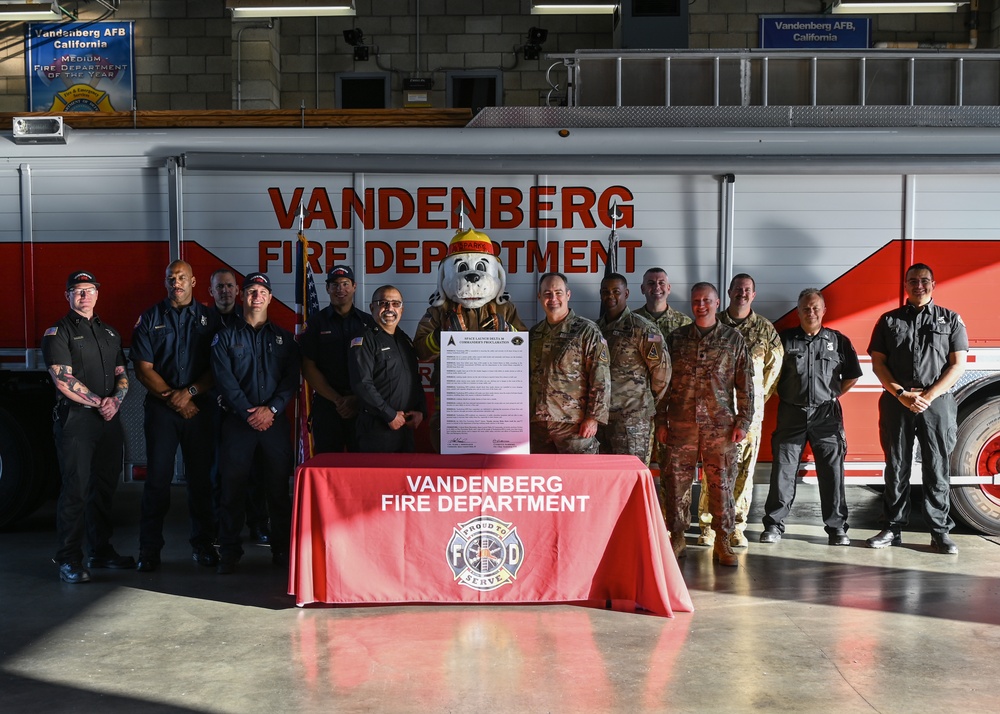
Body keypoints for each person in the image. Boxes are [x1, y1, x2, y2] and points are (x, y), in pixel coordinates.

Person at [866, 263, 968, 554]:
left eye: (924, 280)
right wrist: (900, 394)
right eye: (913, 280)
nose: (918, 285)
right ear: (905, 285)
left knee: (936, 467)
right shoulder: (888, 320)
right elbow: (878, 362)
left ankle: (939, 532)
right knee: (896, 466)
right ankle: (892, 528)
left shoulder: (951, 320)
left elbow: (958, 364)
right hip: (897, 401)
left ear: (933, 284)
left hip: (936, 404)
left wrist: (929, 395)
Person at [42, 271, 133, 583]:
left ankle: (101, 551)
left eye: (90, 290)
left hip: (108, 420)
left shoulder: (109, 333)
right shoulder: (58, 333)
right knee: (76, 491)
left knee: (104, 489)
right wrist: (100, 403)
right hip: (77, 421)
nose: (84, 296)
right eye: (78, 291)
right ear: (68, 296)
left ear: (98, 294)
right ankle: (68, 558)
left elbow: (122, 372)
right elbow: (62, 377)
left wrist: (116, 401)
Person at [131, 260, 220, 572]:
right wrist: (176, 399)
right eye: (171, 277)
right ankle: (149, 550)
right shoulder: (150, 317)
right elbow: (143, 369)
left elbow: (218, 367)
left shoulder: (210, 319)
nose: (176, 282)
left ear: (194, 281)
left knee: (200, 481)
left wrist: (190, 394)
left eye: (182, 277)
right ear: (165, 281)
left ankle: (204, 545)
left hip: (199, 410)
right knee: (157, 481)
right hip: (162, 410)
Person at [658, 282, 753, 565]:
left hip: (720, 427)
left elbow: (745, 385)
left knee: (721, 484)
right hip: (680, 424)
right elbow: (662, 384)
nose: (701, 305)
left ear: (716, 303)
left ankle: (722, 540)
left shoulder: (733, 340)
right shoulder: (675, 339)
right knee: (676, 484)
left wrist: (743, 422)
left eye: (707, 300)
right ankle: (677, 536)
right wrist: (661, 420)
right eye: (697, 300)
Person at [211, 272, 300, 573]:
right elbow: (225, 381)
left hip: (274, 424)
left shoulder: (285, 338)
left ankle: (282, 550)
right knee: (232, 489)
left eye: (262, 291)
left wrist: (271, 409)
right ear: (242, 296)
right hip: (238, 424)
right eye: (250, 291)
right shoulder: (225, 338)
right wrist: (250, 412)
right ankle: (230, 551)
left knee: (277, 489)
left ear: (270, 297)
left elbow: (290, 380)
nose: (256, 296)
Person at [759, 289, 862, 545]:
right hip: (791, 413)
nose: (811, 312)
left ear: (824, 311)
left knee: (832, 472)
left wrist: (832, 394)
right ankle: (773, 525)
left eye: (816, 308)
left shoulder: (838, 341)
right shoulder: (784, 340)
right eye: (806, 308)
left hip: (826, 414)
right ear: (798, 311)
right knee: (783, 471)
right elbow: (770, 374)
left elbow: (852, 375)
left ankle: (837, 528)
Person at [698, 273, 783, 549]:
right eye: (738, 289)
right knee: (713, 470)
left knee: (744, 471)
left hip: (750, 416)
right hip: (715, 413)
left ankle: (737, 526)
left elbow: (774, 370)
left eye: (747, 290)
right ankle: (709, 525)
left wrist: (756, 399)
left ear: (754, 295)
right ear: (729, 291)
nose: (742, 294)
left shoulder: (766, 330)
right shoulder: (713, 323)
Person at [208, 268, 269, 545]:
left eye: (230, 286)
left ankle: (257, 524)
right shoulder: (202, 322)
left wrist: (246, 408)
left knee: (256, 471)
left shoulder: (248, 322)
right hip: (210, 407)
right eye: (220, 287)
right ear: (211, 291)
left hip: (243, 411)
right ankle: (220, 527)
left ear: (238, 292)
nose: (225, 291)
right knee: (219, 472)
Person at [529, 272, 610, 455]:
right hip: (539, 427)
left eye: (558, 292)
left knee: (580, 480)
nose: (553, 298)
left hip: (574, 427)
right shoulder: (534, 334)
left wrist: (593, 417)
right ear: (539, 296)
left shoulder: (586, 331)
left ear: (568, 295)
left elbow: (600, 378)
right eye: (547, 293)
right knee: (544, 481)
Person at [299, 265, 377, 454]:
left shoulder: (368, 322)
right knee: (327, 463)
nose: (340, 289)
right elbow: (308, 367)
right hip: (328, 406)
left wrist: (356, 399)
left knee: (362, 466)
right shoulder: (315, 323)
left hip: (362, 405)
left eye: (345, 284)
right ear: (327, 288)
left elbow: (378, 366)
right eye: (334, 285)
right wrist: (338, 400)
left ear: (354, 286)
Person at [596, 273, 671, 464]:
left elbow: (662, 372)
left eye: (616, 291)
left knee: (631, 478)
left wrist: (645, 403)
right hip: (602, 421)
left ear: (626, 293)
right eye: (605, 292)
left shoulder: (643, 329)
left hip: (632, 422)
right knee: (606, 480)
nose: (610, 296)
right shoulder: (595, 329)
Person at [349, 285, 426, 453]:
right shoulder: (364, 339)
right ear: (372, 308)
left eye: (395, 303)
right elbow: (362, 384)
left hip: (405, 426)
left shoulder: (405, 340)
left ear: (402, 309)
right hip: (377, 429)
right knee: (377, 479)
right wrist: (389, 414)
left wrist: (420, 410)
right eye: (383, 303)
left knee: (404, 478)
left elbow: (414, 378)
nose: (390, 308)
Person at [634, 267, 693, 337]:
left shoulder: (684, 322)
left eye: (661, 283)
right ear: (643, 289)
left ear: (668, 288)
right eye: (651, 283)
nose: (656, 287)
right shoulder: (631, 320)